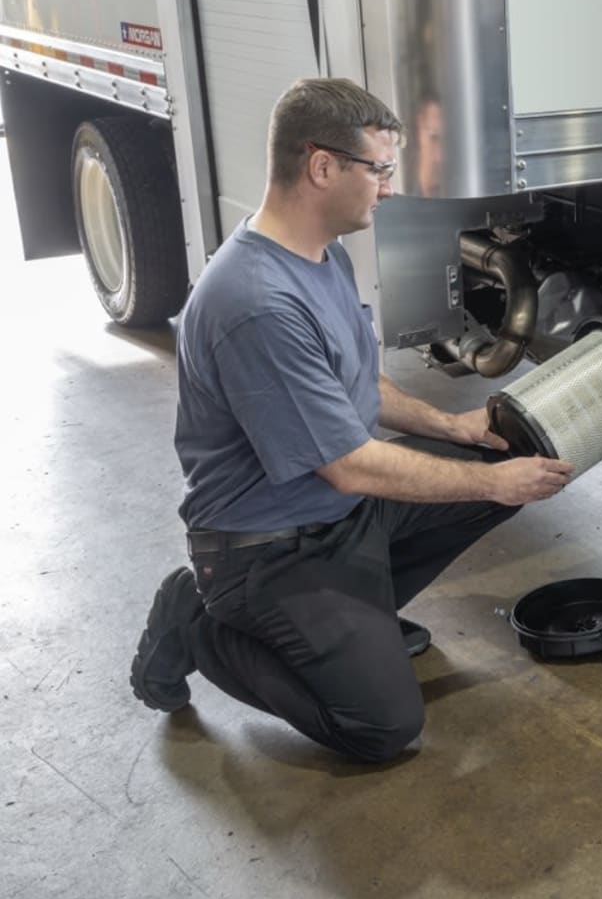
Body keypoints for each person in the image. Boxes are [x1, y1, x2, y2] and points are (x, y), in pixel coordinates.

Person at [128, 77, 572, 762]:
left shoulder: (320, 253)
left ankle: (352, 620)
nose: (388, 188)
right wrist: (492, 482)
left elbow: (360, 386)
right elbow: (349, 464)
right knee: (382, 725)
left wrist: (456, 430)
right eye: (380, 169)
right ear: (322, 165)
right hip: (262, 550)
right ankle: (195, 622)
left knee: (498, 462)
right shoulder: (256, 303)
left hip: (336, 515)